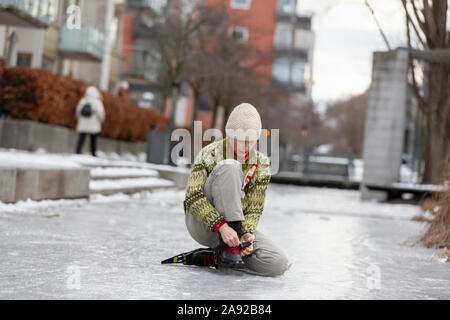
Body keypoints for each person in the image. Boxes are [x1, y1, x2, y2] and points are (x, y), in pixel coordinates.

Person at [182, 103, 289, 277]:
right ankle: (229, 249)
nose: (247, 146)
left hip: (237, 231)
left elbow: (255, 208)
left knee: (277, 263)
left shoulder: (261, 163)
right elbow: (192, 197)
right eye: (242, 139)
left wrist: (247, 233)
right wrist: (222, 226)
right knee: (231, 166)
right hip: (204, 225)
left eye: (252, 141)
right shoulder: (209, 153)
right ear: (230, 134)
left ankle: (219, 256)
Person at [75, 86, 105, 157]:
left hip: (83, 123)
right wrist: (101, 120)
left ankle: (77, 152)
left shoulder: (83, 100)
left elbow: (78, 111)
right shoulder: (98, 102)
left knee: (81, 139)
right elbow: (101, 113)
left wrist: (79, 119)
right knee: (93, 140)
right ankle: (93, 153)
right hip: (94, 124)